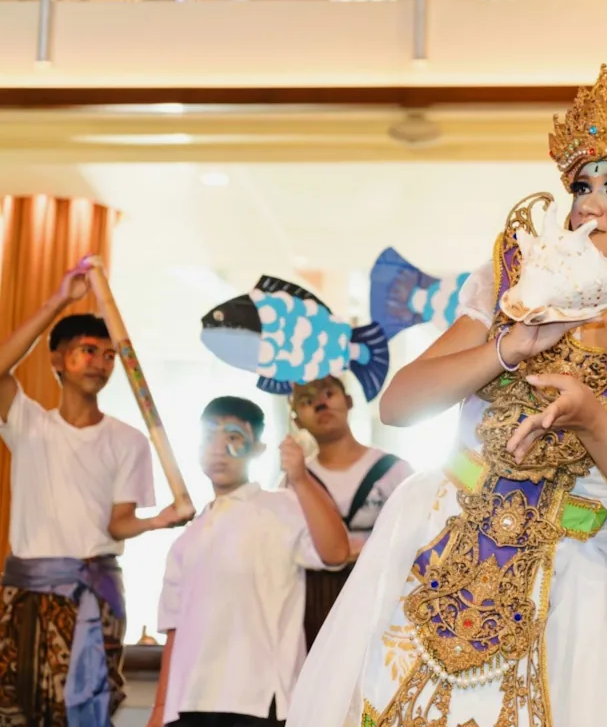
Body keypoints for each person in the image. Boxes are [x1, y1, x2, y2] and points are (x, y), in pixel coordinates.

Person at [286, 16, 607, 727]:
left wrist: (597, 426)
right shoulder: (511, 284)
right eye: (583, 184)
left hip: (566, 589)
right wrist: (508, 348)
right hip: (433, 544)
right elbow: (398, 406)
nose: (588, 205)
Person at [0, 259, 187, 726]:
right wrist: (59, 299)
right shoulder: (29, 425)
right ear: (58, 360)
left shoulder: (127, 440)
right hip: (27, 592)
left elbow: (117, 523)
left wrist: (159, 519)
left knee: (87, 707)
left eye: (108, 356)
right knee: (15, 705)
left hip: (96, 593)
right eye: (86, 350)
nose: (100, 363)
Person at [149, 396, 350, 727]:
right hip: (187, 703)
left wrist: (300, 479)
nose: (218, 448)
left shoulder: (282, 505)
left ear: (257, 448)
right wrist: (160, 709)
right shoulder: (186, 540)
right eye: (208, 437)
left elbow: (336, 552)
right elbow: (175, 631)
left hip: (259, 699)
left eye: (233, 437)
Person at [288, 376, 413, 648]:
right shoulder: (294, 480)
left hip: (385, 596)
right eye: (307, 401)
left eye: (328, 393)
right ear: (296, 420)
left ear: (348, 401)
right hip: (319, 602)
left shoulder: (394, 470)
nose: (321, 404)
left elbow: (418, 534)